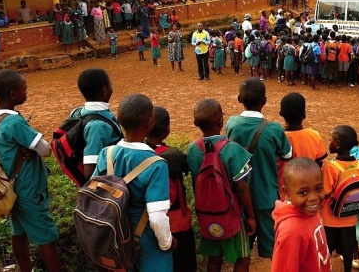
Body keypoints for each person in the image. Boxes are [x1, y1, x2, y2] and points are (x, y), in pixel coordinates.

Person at [0, 70, 63, 272]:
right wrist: (32, 148)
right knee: (45, 237)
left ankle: (25, 269)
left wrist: (26, 148)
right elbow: (46, 149)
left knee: (19, 232)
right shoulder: (15, 122)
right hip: (28, 189)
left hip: (11, 188)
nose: (27, 92)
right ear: (13, 95)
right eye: (25, 89)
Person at [93, 94, 176, 271]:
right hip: (147, 242)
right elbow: (157, 217)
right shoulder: (156, 164)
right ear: (149, 123)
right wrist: (167, 242)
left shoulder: (106, 154)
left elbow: (95, 194)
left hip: (116, 238)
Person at [225, 78, 292, 259]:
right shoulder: (274, 129)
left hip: (239, 195)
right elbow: (287, 155)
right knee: (273, 247)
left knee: (243, 247)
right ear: (264, 101)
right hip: (266, 195)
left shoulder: (231, 124)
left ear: (239, 99)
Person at [187, 98, 255, 272]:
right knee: (242, 258)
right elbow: (241, 188)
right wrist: (251, 217)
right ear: (221, 121)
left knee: (214, 259)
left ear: (196, 123)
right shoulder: (232, 149)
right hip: (232, 214)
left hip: (207, 213)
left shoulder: (193, 149)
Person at [145, 106, 196, 272]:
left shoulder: (140, 154)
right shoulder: (173, 156)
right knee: (184, 264)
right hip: (178, 223)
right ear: (167, 129)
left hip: (148, 224)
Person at [321, 125, 359, 272]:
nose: (328, 142)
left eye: (330, 139)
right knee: (348, 251)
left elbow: (326, 191)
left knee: (326, 250)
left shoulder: (330, 167)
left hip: (330, 219)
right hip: (350, 218)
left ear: (337, 144)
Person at [272, 157, 331, 272]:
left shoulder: (310, 212)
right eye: (303, 192)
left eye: (318, 188)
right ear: (287, 193)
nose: (314, 198)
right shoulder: (291, 231)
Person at [277, 93, 327, 195]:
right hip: (308, 193)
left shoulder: (277, 137)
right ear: (304, 114)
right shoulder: (314, 136)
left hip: (284, 193)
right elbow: (319, 166)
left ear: (281, 113)